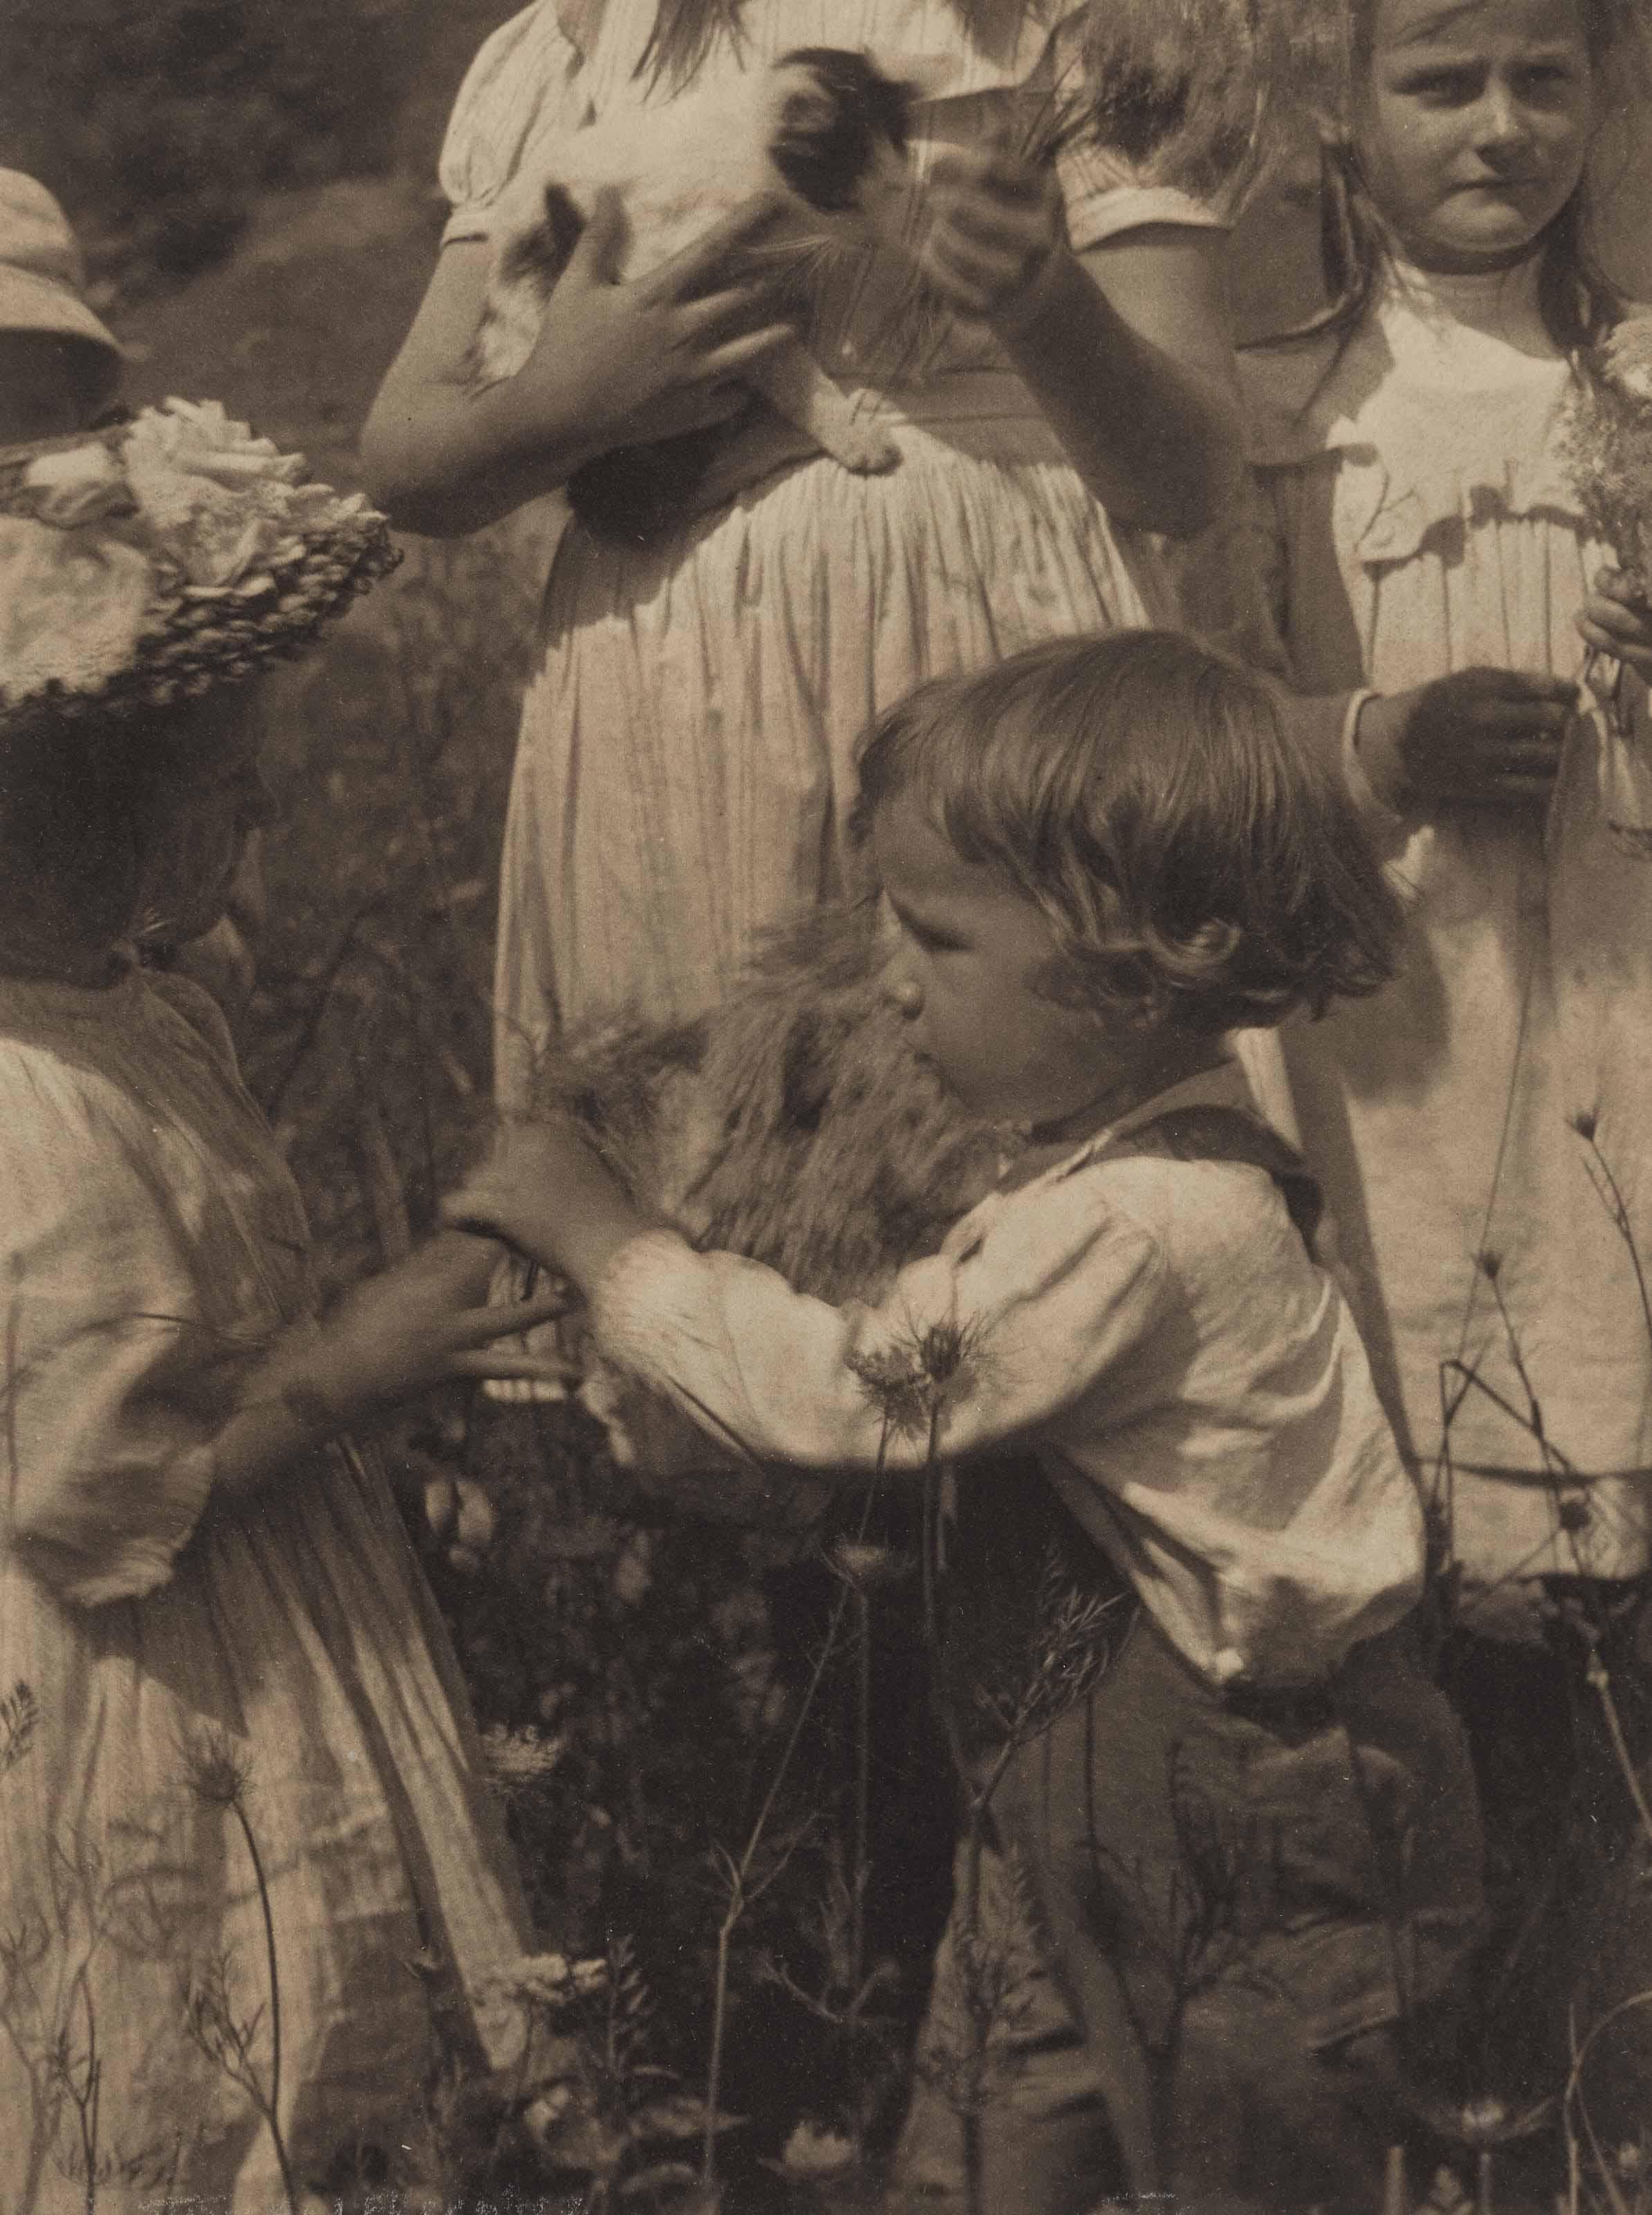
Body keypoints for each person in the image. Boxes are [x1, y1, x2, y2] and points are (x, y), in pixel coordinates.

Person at [446, 631, 1485, 2212]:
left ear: (1151, 961)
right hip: (1073, 1787)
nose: (889, 977)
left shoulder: (1144, 1223)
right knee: (988, 2151)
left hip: (1254, 1818)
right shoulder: (1087, 1174)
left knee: (1261, 2170)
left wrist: (612, 1248)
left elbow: (856, 1396)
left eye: (936, 937)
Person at [0, 400, 568, 2209]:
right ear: (63, 830)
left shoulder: (136, 1010)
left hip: (268, 1590)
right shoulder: (27, 1107)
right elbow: (88, 1492)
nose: (255, 816)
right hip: (142, 1659)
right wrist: (352, 1370)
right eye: (218, 789)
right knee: (200, 2036)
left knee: (332, 2011)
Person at [1196, 0, 1652, 2133]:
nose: (1498, 127)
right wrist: (1377, 739)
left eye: (1543, 78)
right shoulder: (1279, 409)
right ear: (1338, 105)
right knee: (1432, 1565)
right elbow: (1192, 735)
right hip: (1395, 1048)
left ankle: (1583, 2050)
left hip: (1622, 1027)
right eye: (1440, 80)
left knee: (1606, 1534)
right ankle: (1425, 2061)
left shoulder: (1639, 383)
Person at [360, 0, 1246, 1098]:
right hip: (683, 681)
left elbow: (1190, 483)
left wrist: (1046, 307)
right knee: (715, 1102)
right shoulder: (587, 43)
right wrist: (559, 405)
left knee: (1030, 1114)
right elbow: (406, 463)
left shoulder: (1088, 28)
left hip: (1001, 675)